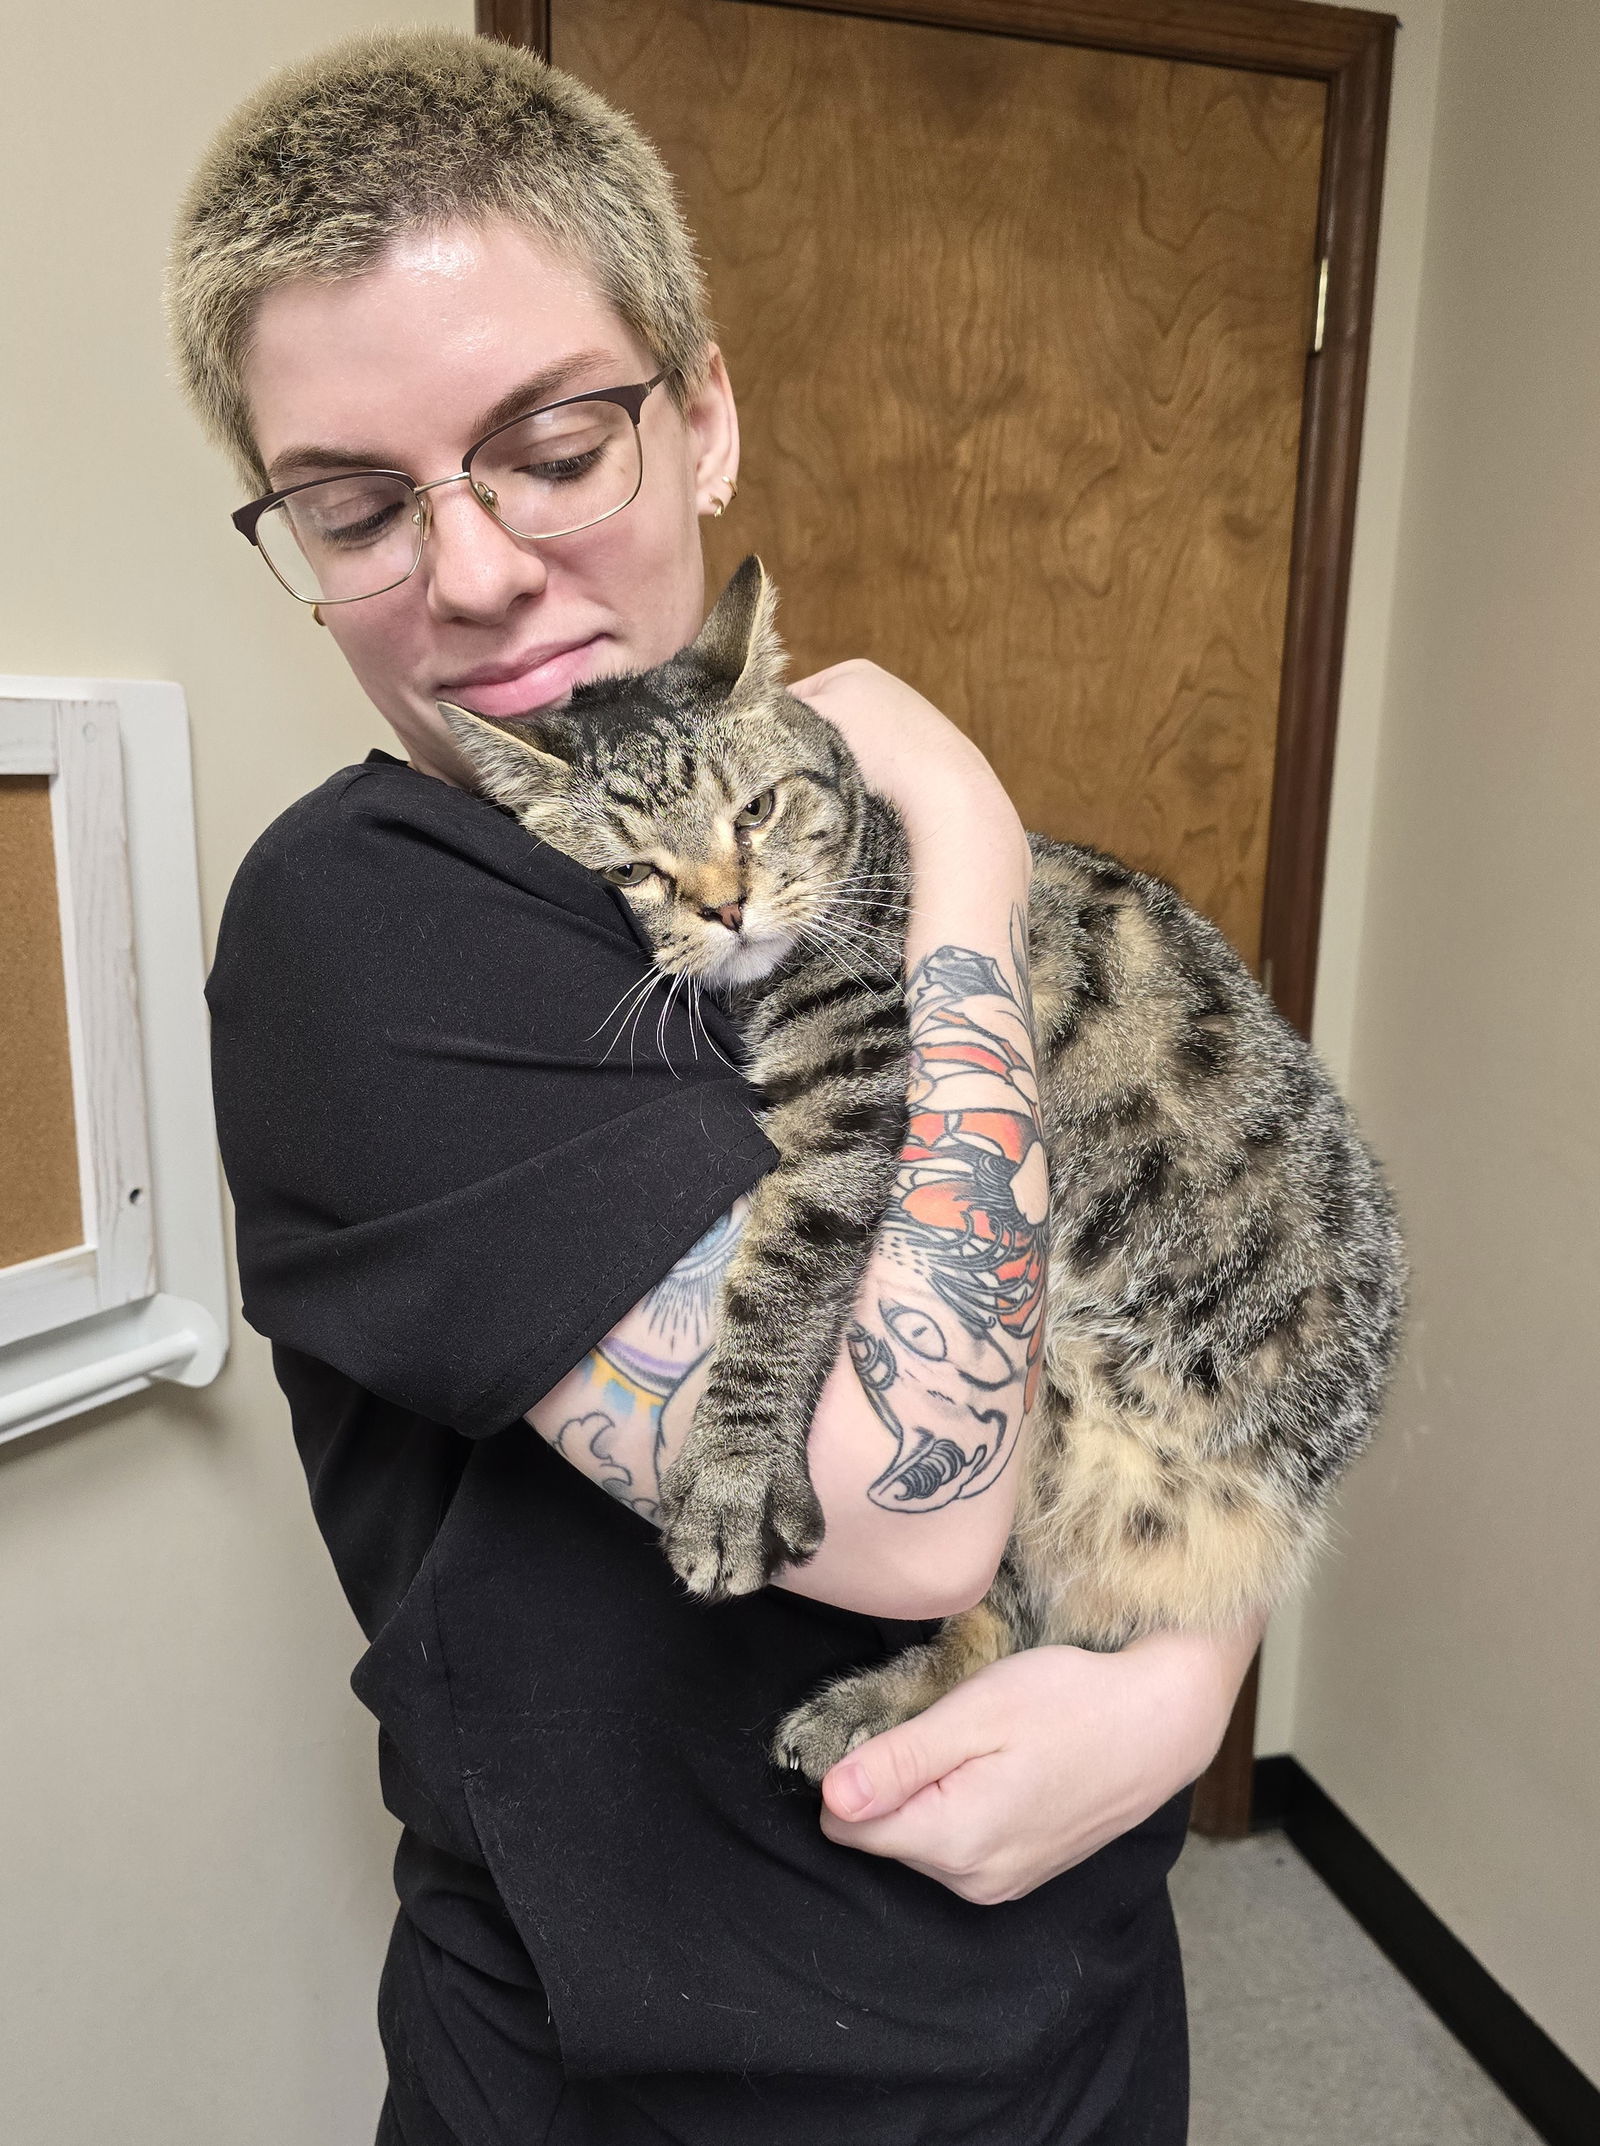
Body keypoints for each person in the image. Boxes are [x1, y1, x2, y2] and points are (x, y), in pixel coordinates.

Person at [174, 29, 1262, 2144]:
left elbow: (1184, 1255)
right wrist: (957, 838)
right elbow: (897, 1505)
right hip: (674, 2086)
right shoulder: (361, 919)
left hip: (1072, 1998)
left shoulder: (794, 801)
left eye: (554, 445)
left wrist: (1184, 1661)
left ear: (704, 416)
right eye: (354, 506)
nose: (472, 572)